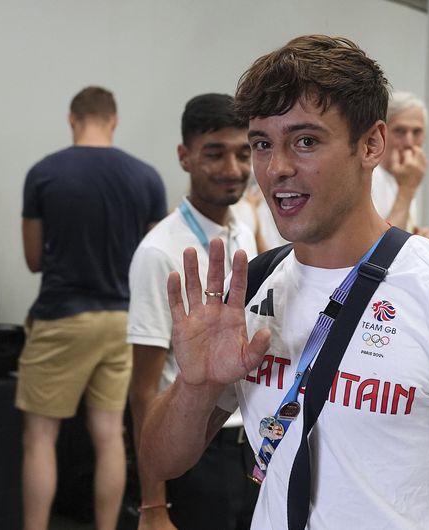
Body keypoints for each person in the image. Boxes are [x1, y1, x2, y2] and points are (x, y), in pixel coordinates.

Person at [139, 35, 429, 529]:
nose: (277, 169)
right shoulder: (254, 289)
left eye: (306, 141)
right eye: (262, 144)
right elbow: (163, 462)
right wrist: (196, 384)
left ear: (372, 144)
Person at [17, 86, 166, 530]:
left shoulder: (44, 173)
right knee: (109, 435)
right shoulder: (146, 177)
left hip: (62, 315)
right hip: (124, 321)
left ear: (72, 119)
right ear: (114, 121)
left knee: (41, 436)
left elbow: (33, 260)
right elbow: (152, 258)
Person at [127, 93, 260, 530]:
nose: (233, 169)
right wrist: (153, 506)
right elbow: (144, 389)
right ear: (184, 157)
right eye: (215, 154)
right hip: (197, 446)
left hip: (254, 442)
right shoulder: (159, 252)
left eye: (244, 153)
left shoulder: (243, 228)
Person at [372, 91, 429, 237]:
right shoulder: (367, 177)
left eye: (417, 132)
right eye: (400, 131)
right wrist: (406, 189)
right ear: (381, 133)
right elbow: (379, 249)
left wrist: (419, 241)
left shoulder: (404, 176)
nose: (409, 143)